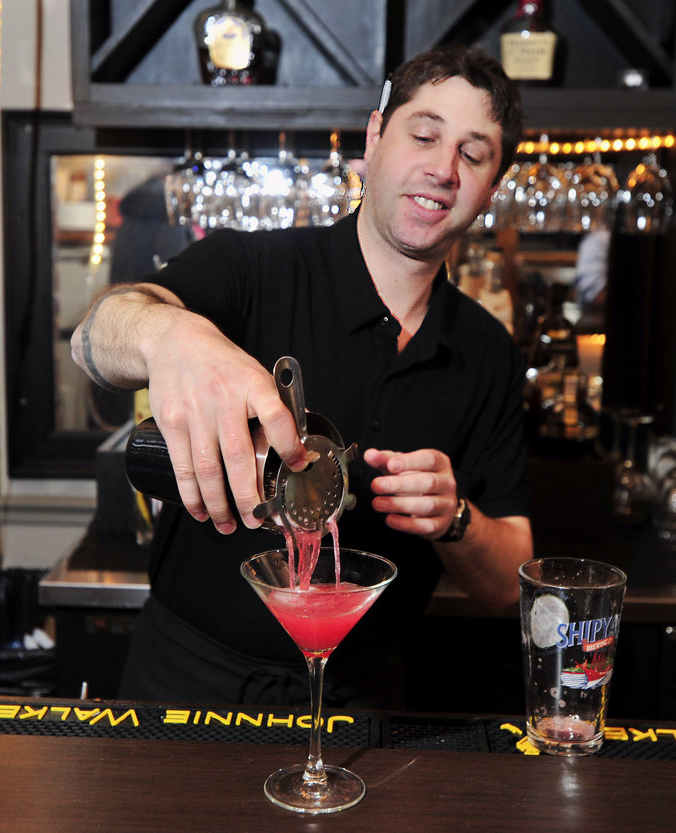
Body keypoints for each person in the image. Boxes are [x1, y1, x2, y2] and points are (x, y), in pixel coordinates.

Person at [71, 43, 533, 709]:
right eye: (424, 134)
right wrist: (169, 334)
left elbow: (506, 581)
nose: (442, 168)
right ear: (374, 139)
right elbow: (93, 337)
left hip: (363, 699)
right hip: (184, 682)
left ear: (491, 187)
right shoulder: (252, 267)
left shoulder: (486, 351)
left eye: (474, 153)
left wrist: (454, 517)